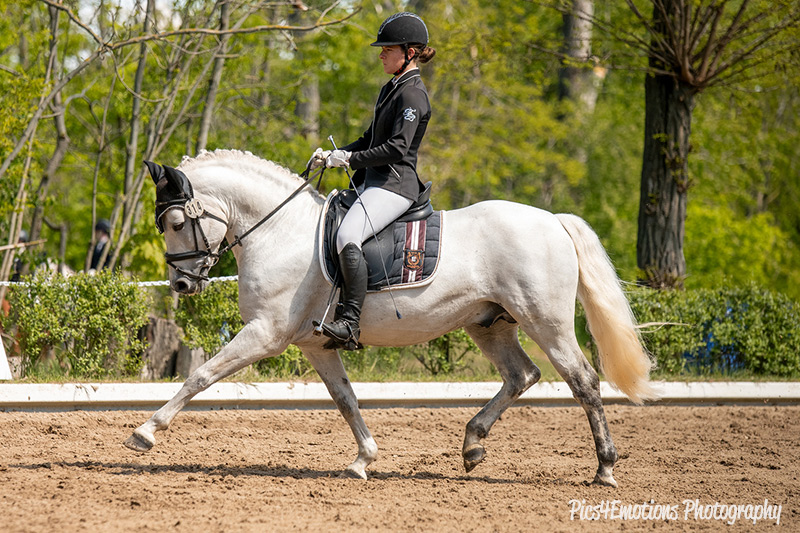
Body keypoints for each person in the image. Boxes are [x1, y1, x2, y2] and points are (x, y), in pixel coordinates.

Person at [308, 12, 436, 349]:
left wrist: (349, 159)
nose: (380, 53)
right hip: (374, 182)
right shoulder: (391, 88)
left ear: (409, 52)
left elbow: (397, 148)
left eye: (387, 48)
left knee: (348, 234)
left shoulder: (413, 95)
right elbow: (369, 139)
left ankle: (349, 323)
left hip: (395, 185)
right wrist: (333, 155)